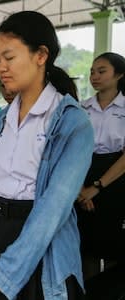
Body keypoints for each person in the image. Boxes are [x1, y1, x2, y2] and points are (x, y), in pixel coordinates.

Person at [0, 11, 94, 300]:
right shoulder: (0, 121)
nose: (1, 68)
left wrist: (7, 272)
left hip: (41, 248)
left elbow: (54, 209)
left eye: (9, 58)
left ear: (41, 55)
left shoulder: (71, 122)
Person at [76, 52, 125, 277]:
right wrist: (79, 191)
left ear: (119, 74)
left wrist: (96, 188)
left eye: (102, 71)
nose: (94, 76)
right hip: (81, 175)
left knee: (114, 245)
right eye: (92, 72)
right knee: (85, 245)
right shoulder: (81, 109)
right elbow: (71, 150)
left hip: (114, 179)